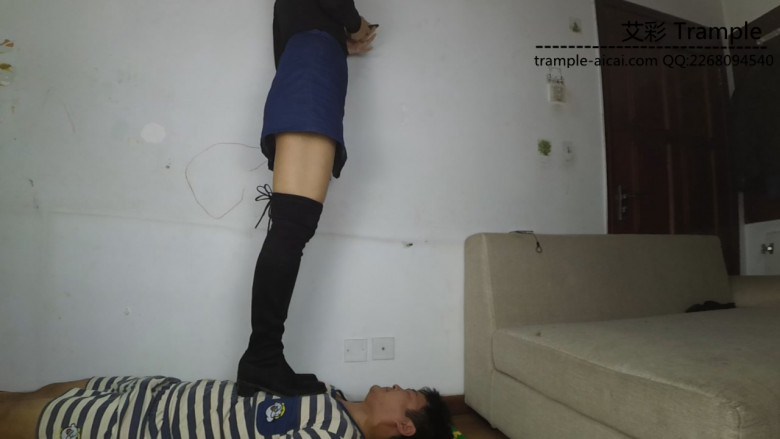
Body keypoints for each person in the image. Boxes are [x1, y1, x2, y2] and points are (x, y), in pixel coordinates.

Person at [237, 0, 378, 397]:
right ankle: (262, 359)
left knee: (292, 226)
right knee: (292, 226)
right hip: (313, 72)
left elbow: (294, 34)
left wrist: (341, 41)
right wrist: (357, 25)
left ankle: (263, 358)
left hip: (310, 70)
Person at [0, 376, 452, 439]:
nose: (398, 385)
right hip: (153, 391)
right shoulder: (328, 392)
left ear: (405, 425)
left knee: (16, 420)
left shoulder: (331, 435)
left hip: (136, 428)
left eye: (408, 394)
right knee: (41, 393)